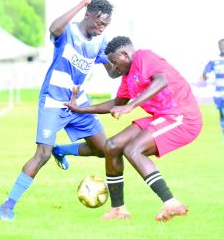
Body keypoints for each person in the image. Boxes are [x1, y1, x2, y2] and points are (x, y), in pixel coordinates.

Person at [0, 0, 119, 221]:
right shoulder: (69, 31)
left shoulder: (100, 42)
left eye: (107, 25)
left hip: (79, 102)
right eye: (100, 22)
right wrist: (81, 2)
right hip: (54, 99)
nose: (102, 28)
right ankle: (7, 206)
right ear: (89, 14)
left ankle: (62, 150)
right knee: (42, 154)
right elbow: (53, 28)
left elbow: (113, 72)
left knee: (104, 150)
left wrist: (130, 64)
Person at [65, 36, 203, 222]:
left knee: (133, 150)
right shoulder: (127, 77)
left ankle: (171, 203)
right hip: (161, 116)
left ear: (125, 54)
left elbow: (161, 80)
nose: (114, 67)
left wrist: (132, 106)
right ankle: (118, 210)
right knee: (112, 146)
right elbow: (116, 103)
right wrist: (80, 109)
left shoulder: (143, 57)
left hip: (182, 116)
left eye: (114, 62)